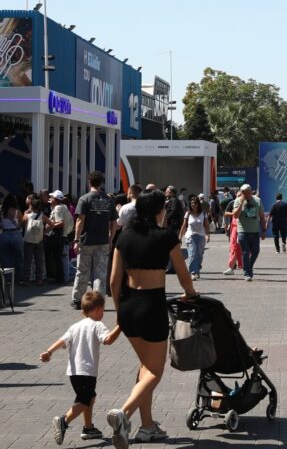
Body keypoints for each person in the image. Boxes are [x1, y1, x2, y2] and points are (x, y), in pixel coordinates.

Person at [108, 188, 198, 448]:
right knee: (155, 372)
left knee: (145, 367)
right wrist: (190, 294)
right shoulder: (166, 236)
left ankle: (147, 426)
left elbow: (113, 281)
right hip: (152, 306)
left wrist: (120, 313)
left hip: (128, 307)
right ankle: (124, 414)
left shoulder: (124, 236)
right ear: (160, 211)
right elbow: (183, 274)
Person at [40, 290, 121, 444]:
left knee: (90, 396)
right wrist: (120, 326)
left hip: (74, 372)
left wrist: (48, 351)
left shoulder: (75, 326)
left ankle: (88, 428)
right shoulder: (97, 325)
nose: (103, 314)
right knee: (84, 400)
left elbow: (62, 341)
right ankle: (64, 420)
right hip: (87, 371)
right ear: (98, 309)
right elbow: (108, 340)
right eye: (103, 310)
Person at [72, 172, 117, 310]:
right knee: (100, 273)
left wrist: (76, 239)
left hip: (86, 241)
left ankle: (78, 300)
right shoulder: (109, 200)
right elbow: (114, 223)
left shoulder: (84, 199)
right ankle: (98, 301)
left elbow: (80, 221)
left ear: (89, 182)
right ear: (101, 183)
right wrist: (110, 239)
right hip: (103, 241)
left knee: (82, 271)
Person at [232, 184, 266, 282]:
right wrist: (241, 203)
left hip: (255, 231)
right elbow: (235, 216)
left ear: (251, 192)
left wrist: (263, 230)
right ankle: (246, 273)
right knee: (245, 253)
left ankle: (249, 267)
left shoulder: (258, 200)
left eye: (247, 193)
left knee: (256, 251)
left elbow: (262, 216)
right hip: (243, 231)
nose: (245, 195)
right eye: (243, 193)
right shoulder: (237, 201)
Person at [22, 193, 52, 284]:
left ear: (31, 205)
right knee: (39, 260)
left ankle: (26, 279)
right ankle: (39, 279)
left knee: (27, 260)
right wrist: (44, 232)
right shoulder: (42, 216)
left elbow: (22, 225)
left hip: (28, 240)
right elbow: (52, 224)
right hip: (39, 240)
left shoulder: (26, 216)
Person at [178, 195, 210, 280]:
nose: (193, 204)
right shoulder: (188, 213)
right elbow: (184, 225)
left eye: (195, 203)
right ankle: (192, 272)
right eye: (192, 203)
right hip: (190, 235)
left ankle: (197, 269)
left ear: (198, 204)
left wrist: (207, 235)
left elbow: (207, 225)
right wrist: (180, 236)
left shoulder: (203, 213)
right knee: (192, 253)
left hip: (201, 236)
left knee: (199, 254)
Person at [48, 191, 75, 284]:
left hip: (58, 236)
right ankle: (63, 277)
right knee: (62, 258)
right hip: (63, 236)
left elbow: (61, 223)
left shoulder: (58, 208)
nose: (50, 199)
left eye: (52, 198)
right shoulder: (63, 207)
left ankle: (60, 278)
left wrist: (50, 226)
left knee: (58, 258)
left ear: (55, 199)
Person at [0, 195, 24, 282]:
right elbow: (21, 224)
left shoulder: (2, 211)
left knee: (5, 258)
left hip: (4, 234)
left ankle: (7, 279)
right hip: (16, 234)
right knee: (19, 258)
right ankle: (20, 278)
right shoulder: (17, 212)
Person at [222, 192, 243, 275]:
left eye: (240, 196)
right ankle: (232, 267)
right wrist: (233, 214)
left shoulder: (246, 203)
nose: (238, 197)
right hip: (234, 227)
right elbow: (226, 213)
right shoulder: (232, 203)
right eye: (237, 196)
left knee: (243, 248)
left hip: (244, 228)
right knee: (233, 247)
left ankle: (244, 265)